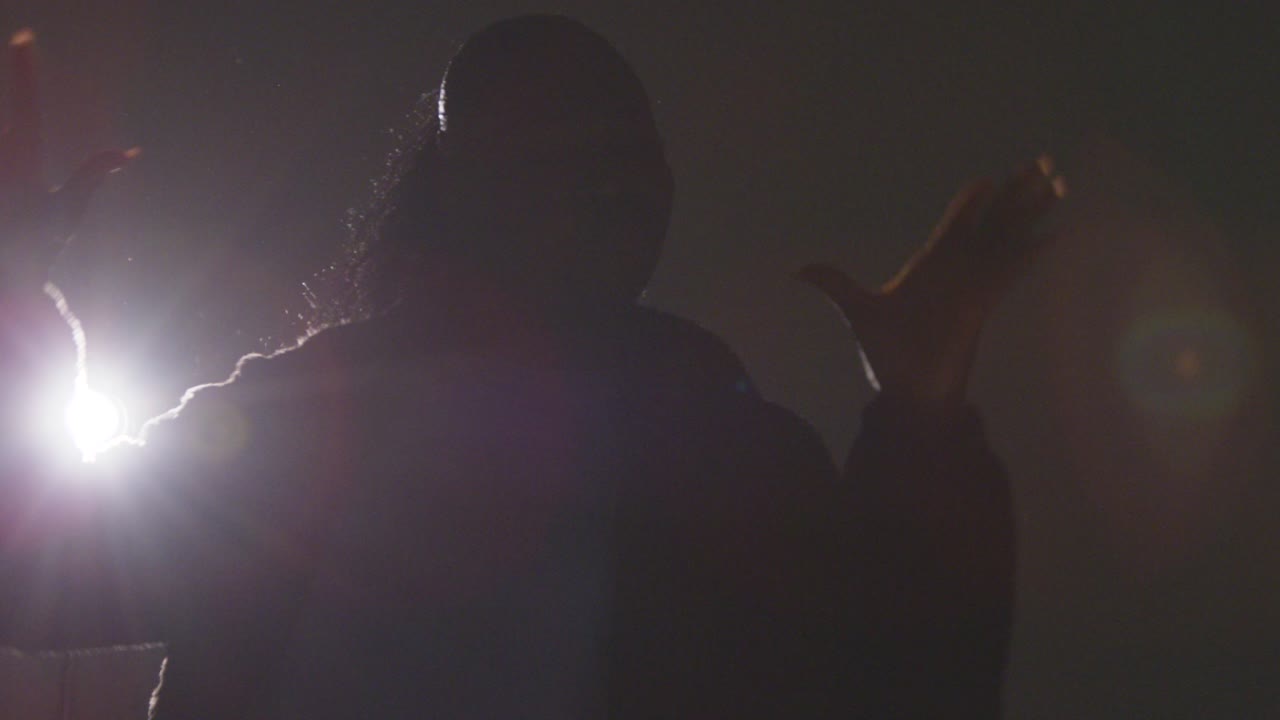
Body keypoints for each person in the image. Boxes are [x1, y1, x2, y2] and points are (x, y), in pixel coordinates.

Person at [0, 15, 1062, 720]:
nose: (614, 177)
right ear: (467, 184)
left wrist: (921, 422)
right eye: (560, 143)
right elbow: (34, 582)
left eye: (631, 144)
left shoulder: (733, 450)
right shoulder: (301, 427)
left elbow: (906, 693)